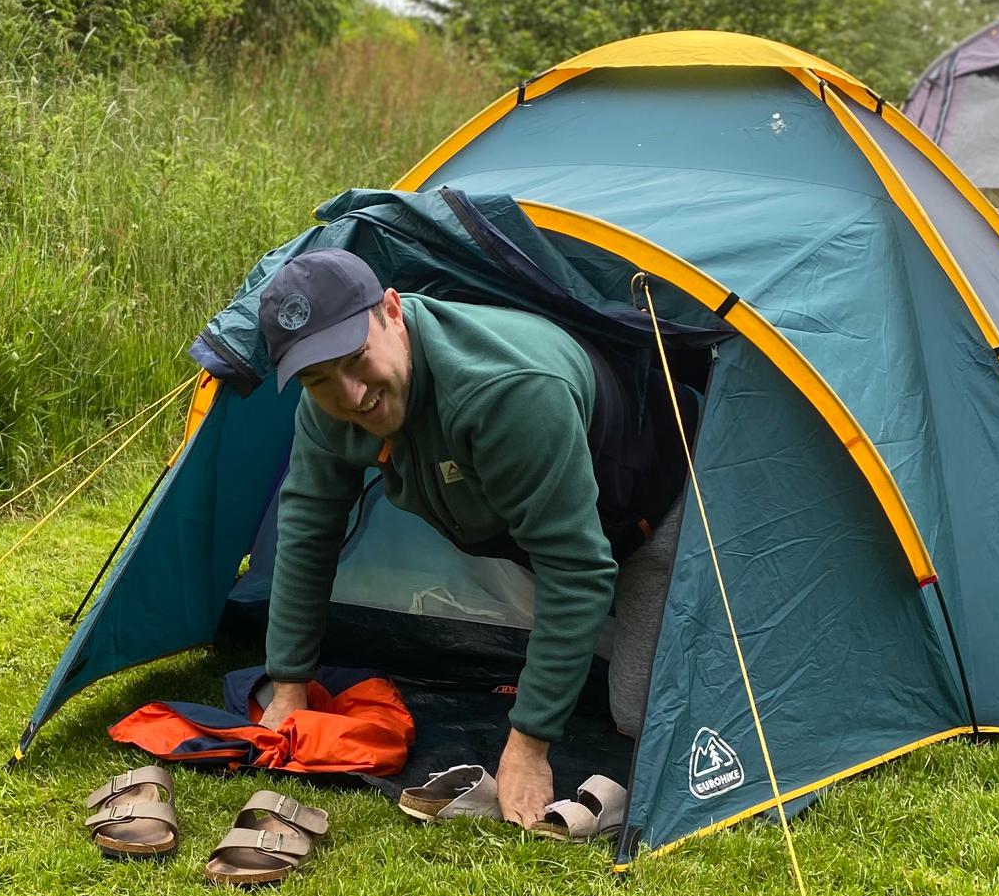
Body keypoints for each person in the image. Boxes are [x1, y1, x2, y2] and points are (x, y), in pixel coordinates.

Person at [256, 248, 689, 826]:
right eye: (317, 379)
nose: (351, 395)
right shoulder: (328, 406)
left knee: (636, 715)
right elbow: (308, 531)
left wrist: (529, 746)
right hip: (535, 528)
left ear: (392, 312)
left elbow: (578, 568)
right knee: (574, 627)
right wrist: (288, 685)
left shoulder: (506, 393)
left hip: (651, 506)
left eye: (357, 359)